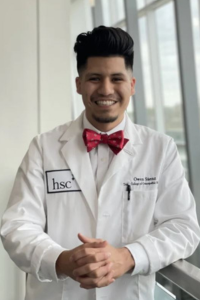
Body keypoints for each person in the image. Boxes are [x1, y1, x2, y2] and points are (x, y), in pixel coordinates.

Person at [1, 26, 200, 300]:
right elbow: (17, 226)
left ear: (131, 85)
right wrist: (61, 260)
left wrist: (128, 256)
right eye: (94, 78)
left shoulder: (160, 149)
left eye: (116, 78)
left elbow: (183, 227)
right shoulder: (43, 147)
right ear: (79, 84)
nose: (106, 89)